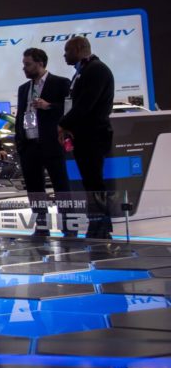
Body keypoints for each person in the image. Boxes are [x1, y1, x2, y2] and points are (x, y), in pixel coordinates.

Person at [59, 36, 115, 239]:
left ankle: (101, 225)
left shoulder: (96, 70)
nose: (64, 55)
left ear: (79, 49)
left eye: (67, 50)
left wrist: (63, 124)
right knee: (90, 181)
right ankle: (97, 223)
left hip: (94, 135)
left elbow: (85, 104)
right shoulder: (85, 71)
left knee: (94, 181)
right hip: (86, 135)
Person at [14, 47, 72, 236]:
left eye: (28, 64)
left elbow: (70, 109)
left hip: (52, 143)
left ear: (40, 63)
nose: (24, 68)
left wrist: (49, 106)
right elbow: (20, 116)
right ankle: (41, 226)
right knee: (34, 189)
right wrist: (20, 142)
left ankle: (68, 226)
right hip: (29, 145)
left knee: (61, 186)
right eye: (24, 64)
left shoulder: (60, 83)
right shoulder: (23, 88)